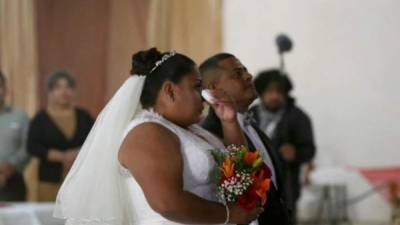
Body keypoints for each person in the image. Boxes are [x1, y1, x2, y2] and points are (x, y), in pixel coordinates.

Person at [54, 48, 263, 225]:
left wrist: (229, 122)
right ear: (170, 91)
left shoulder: (190, 129)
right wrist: (229, 215)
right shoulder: (147, 132)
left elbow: (239, 166)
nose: (204, 96)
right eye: (197, 86)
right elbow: (167, 203)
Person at [200, 53, 291, 225]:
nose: (248, 76)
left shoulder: (251, 123)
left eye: (245, 71)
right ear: (214, 89)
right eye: (237, 74)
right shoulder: (210, 135)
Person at [250, 69, 316, 223]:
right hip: (253, 182)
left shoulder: (297, 117)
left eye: (279, 91)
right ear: (261, 92)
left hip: (286, 183)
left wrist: (296, 153)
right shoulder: (251, 115)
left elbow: (309, 150)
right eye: (269, 91)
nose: (274, 96)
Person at [27, 70, 94, 202]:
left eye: (68, 87)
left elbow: (97, 140)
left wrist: (77, 153)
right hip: (49, 182)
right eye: (58, 87)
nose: (64, 92)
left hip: (80, 180)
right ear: (50, 92)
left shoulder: (84, 116)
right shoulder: (40, 119)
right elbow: (32, 146)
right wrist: (61, 156)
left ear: (73, 91)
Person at [0, 71, 29, 201]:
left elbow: (28, 146)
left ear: (5, 90)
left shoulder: (19, 116)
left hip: (13, 182)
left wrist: (12, 164)